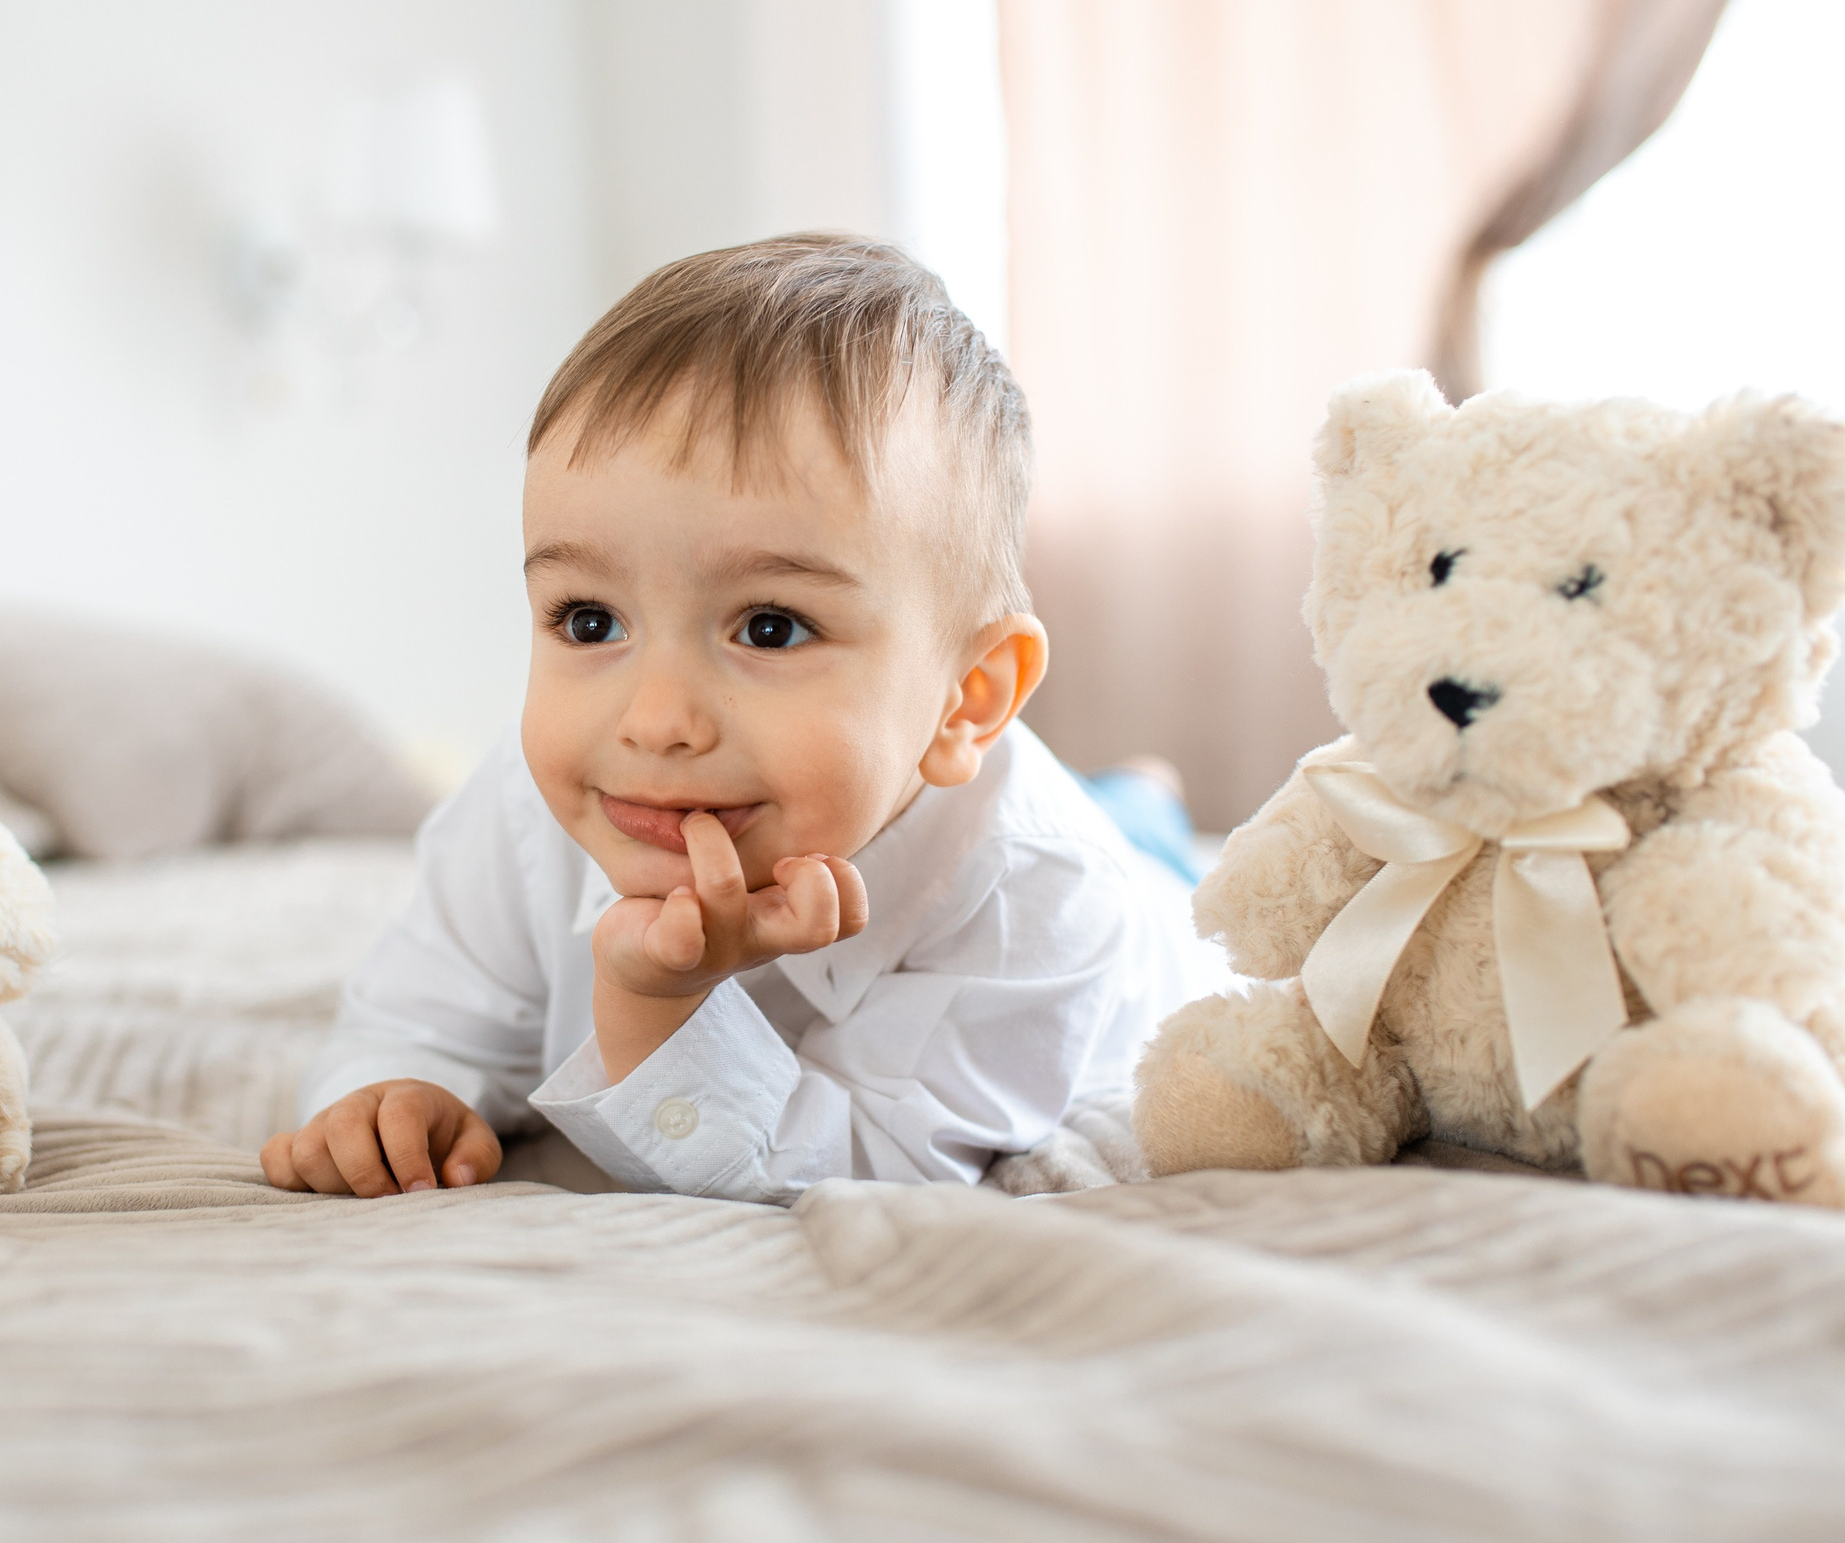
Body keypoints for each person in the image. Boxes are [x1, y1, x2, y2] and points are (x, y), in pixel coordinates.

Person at [266, 233, 1226, 1204]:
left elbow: (867, 1162)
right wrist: (391, 1095)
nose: (655, 722)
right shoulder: (531, 808)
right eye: (588, 620)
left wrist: (659, 1015)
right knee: (1125, 804)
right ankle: (1135, 789)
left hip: (1138, 898)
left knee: (1158, 861)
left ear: (965, 697)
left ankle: (1141, 804)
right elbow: (414, 1017)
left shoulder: (1041, 902)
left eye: (769, 628)